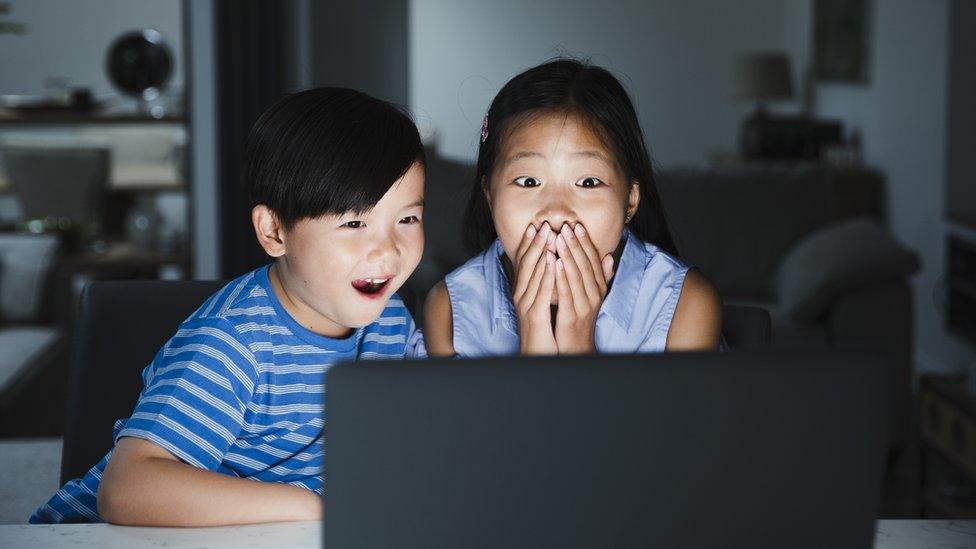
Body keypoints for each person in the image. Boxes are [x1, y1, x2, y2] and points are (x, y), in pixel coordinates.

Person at [30, 87, 426, 525]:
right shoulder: (232, 341)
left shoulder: (390, 317)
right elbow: (125, 490)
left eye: (407, 219)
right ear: (274, 231)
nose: (388, 250)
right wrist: (318, 509)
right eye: (354, 222)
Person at [421, 59, 722, 357]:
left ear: (630, 199)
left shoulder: (686, 305)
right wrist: (533, 345)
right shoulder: (449, 311)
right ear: (489, 196)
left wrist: (579, 346)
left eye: (589, 182)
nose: (556, 213)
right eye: (528, 181)